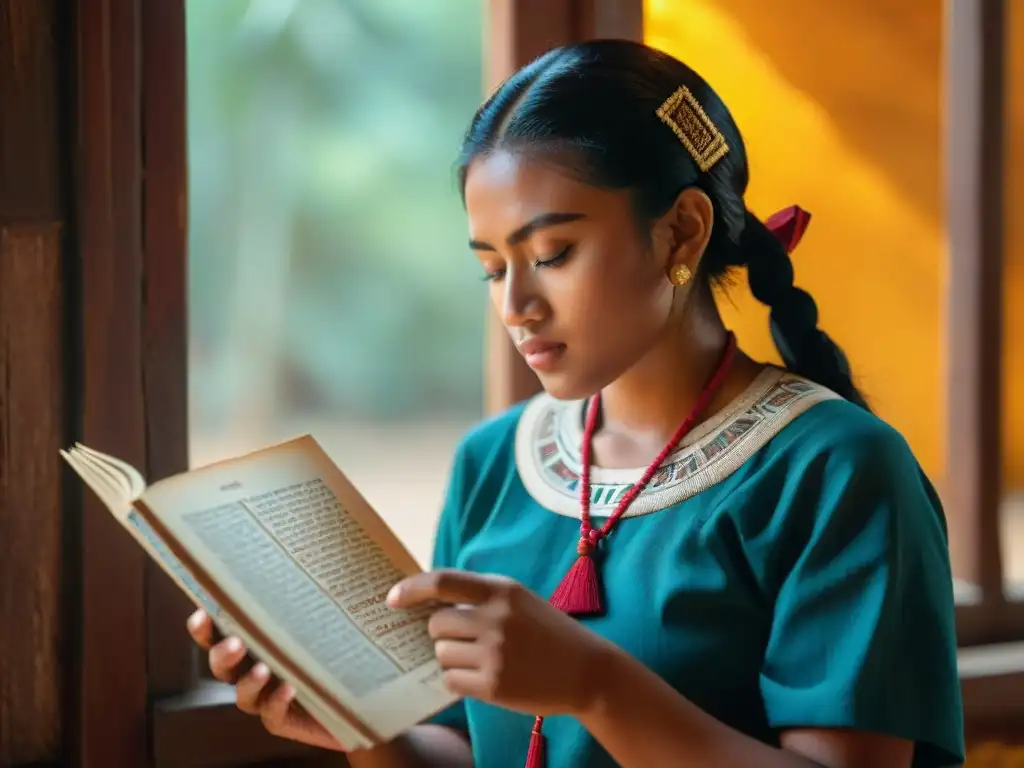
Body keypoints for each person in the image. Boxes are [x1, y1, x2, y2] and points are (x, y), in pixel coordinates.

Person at [187, 39, 965, 768]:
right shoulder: (493, 463)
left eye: (552, 254)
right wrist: (362, 729)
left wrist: (595, 684)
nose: (517, 303)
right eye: (493, 268)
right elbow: (467, 745)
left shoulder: (836, 470)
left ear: (681, 233)